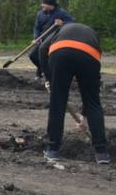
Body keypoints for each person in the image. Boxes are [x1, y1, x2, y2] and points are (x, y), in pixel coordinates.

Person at [38, 22, 109, 164]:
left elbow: (41, 49)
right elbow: (93, 85)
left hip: (61, 53)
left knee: (57, 102)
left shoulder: (61, 29)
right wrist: (85, 115)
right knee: (92, 101)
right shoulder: (92, 33)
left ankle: (52, 150)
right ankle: (102, 153)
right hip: (89, 56)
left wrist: (49, 78)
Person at [30, 0, 74, 79]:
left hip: (55, 38)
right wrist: (36, 37)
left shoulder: (61, 12)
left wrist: (62, 23)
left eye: (44, 5)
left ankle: (47, 75)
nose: (42, 7)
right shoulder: (40, 14)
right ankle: (44, 70)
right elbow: (37, 27)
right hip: (42, 38)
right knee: (32, 56)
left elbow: (71, 22)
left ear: (51, 6)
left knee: (43, 53)